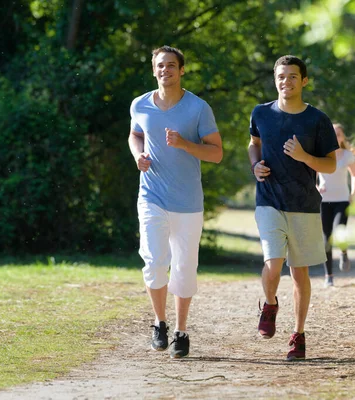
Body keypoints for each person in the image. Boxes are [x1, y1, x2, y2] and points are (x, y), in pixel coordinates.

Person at [128, 45, 223, 358]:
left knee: (184, 269)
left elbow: (216, 153)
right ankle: (160, 324)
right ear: (153, 69)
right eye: (160, 65)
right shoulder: (140, 104)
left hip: (187, 202)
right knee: (154, 262)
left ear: (182, 70)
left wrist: (185, 144)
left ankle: (181, 332)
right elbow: (135, 134)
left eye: (171, 65)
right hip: (151, 195)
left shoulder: (197, 108)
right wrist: (137, 155)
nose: (165, 70)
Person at [248, 55, 339, 361]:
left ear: (304, 81)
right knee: (274, 262)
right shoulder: (261, 113)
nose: (285, 82)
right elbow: (253, 143)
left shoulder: (317, 120)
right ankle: (270, 303)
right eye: (281, 76)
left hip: (305, 204)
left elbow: (331, 163)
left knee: (300, 273)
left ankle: (298, 335)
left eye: (291, 77)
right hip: (269, 200)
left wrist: (303, 156)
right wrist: (255, 164)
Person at [317, 123, 355, 287]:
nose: (336, 136)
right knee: (326, 238)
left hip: (342, 200)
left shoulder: (347, 155)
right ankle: (329, 275)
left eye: (339, 134)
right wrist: (316, 187)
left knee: (339, 231)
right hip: (324, 200)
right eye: (333, 133)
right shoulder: (320, 154)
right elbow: (311, 174)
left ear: (343, 137)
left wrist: (353, 194)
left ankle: (343, 252)